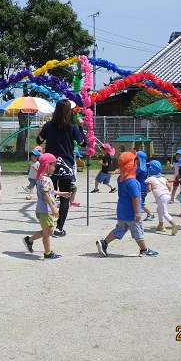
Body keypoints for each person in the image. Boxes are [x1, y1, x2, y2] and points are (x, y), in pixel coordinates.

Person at [36, 99, 86, 237]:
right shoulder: (72, 127)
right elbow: (83, 143)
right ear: (69, 111)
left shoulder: (49, 125)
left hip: (50, 164)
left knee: (49, 192)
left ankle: (49, 224)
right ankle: (59, 227)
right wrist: (80, 127)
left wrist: (42, 130)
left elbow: (39, 141)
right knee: (65, 196)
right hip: (66, 164)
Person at [95, 152, 158, 257]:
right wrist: (137, 212)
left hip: (121, 210)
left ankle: (104, 243)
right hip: (131, 212)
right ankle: (144, 250)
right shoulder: (133, 182)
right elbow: (135, 198)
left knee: (119, 229)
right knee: (138, 231)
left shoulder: (120, 178)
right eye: (135, 162)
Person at [22, 153, 70, 260]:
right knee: (48, 231)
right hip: (44, 210)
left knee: (49, 230)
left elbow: (50, 191)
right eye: (53, 165)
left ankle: (29, 240)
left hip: (44, 210)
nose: (55, 168)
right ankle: (48, 253)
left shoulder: (44, 178)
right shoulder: (44, 179)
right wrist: (53, 208)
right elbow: (46, 194)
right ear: (47, 166)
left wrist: (62, 193)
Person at [145, 160, 178, 235]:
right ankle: (161, 225)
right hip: (167, 195)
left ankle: (174, 224)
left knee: (164, 212)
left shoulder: (150, 179)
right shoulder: (163, 178)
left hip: (161, 196)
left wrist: (146, 187)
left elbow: (149, 190)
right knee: (159, 209)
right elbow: (169, 187)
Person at [135, 150, 155, 221]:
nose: (135, 160)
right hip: (142, 188)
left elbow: (134, 174)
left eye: (136, 159)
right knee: (138, 202)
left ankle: (150, 214)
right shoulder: (144, 167)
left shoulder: (140, 168)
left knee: (140, 203)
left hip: (141, 188)